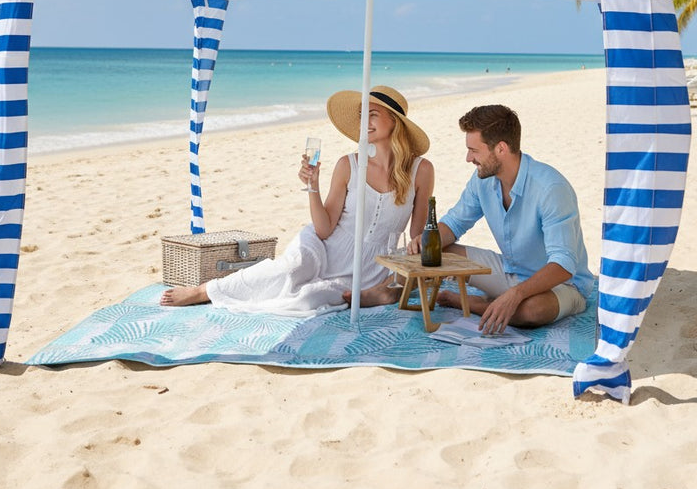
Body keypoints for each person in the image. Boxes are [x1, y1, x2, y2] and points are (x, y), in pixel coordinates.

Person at [160, 86, 434, 314]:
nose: (364, 124)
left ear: (395, 122)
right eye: (362, 116)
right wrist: (312, 186)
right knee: (289, 269)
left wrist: (412, 255)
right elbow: (325, 229)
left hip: (373, 268)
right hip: (326, 248)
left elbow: (417, 235)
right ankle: (204, 290)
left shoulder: (421, 170)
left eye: (372, 115)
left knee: (310, 300)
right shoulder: (348, 164)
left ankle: (380, 294)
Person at [421, 104, 592, 334]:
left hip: (562, 285)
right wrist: (424, 243)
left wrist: (516, 294)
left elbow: (564, 265)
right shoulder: (482, 180)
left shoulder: (551, 188)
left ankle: (478, 304)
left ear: (501, 149)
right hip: (510, 270)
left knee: (531, 311)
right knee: (438, 250)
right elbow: (454, 223)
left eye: (474, 150)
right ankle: (501, 300)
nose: (468, 158)